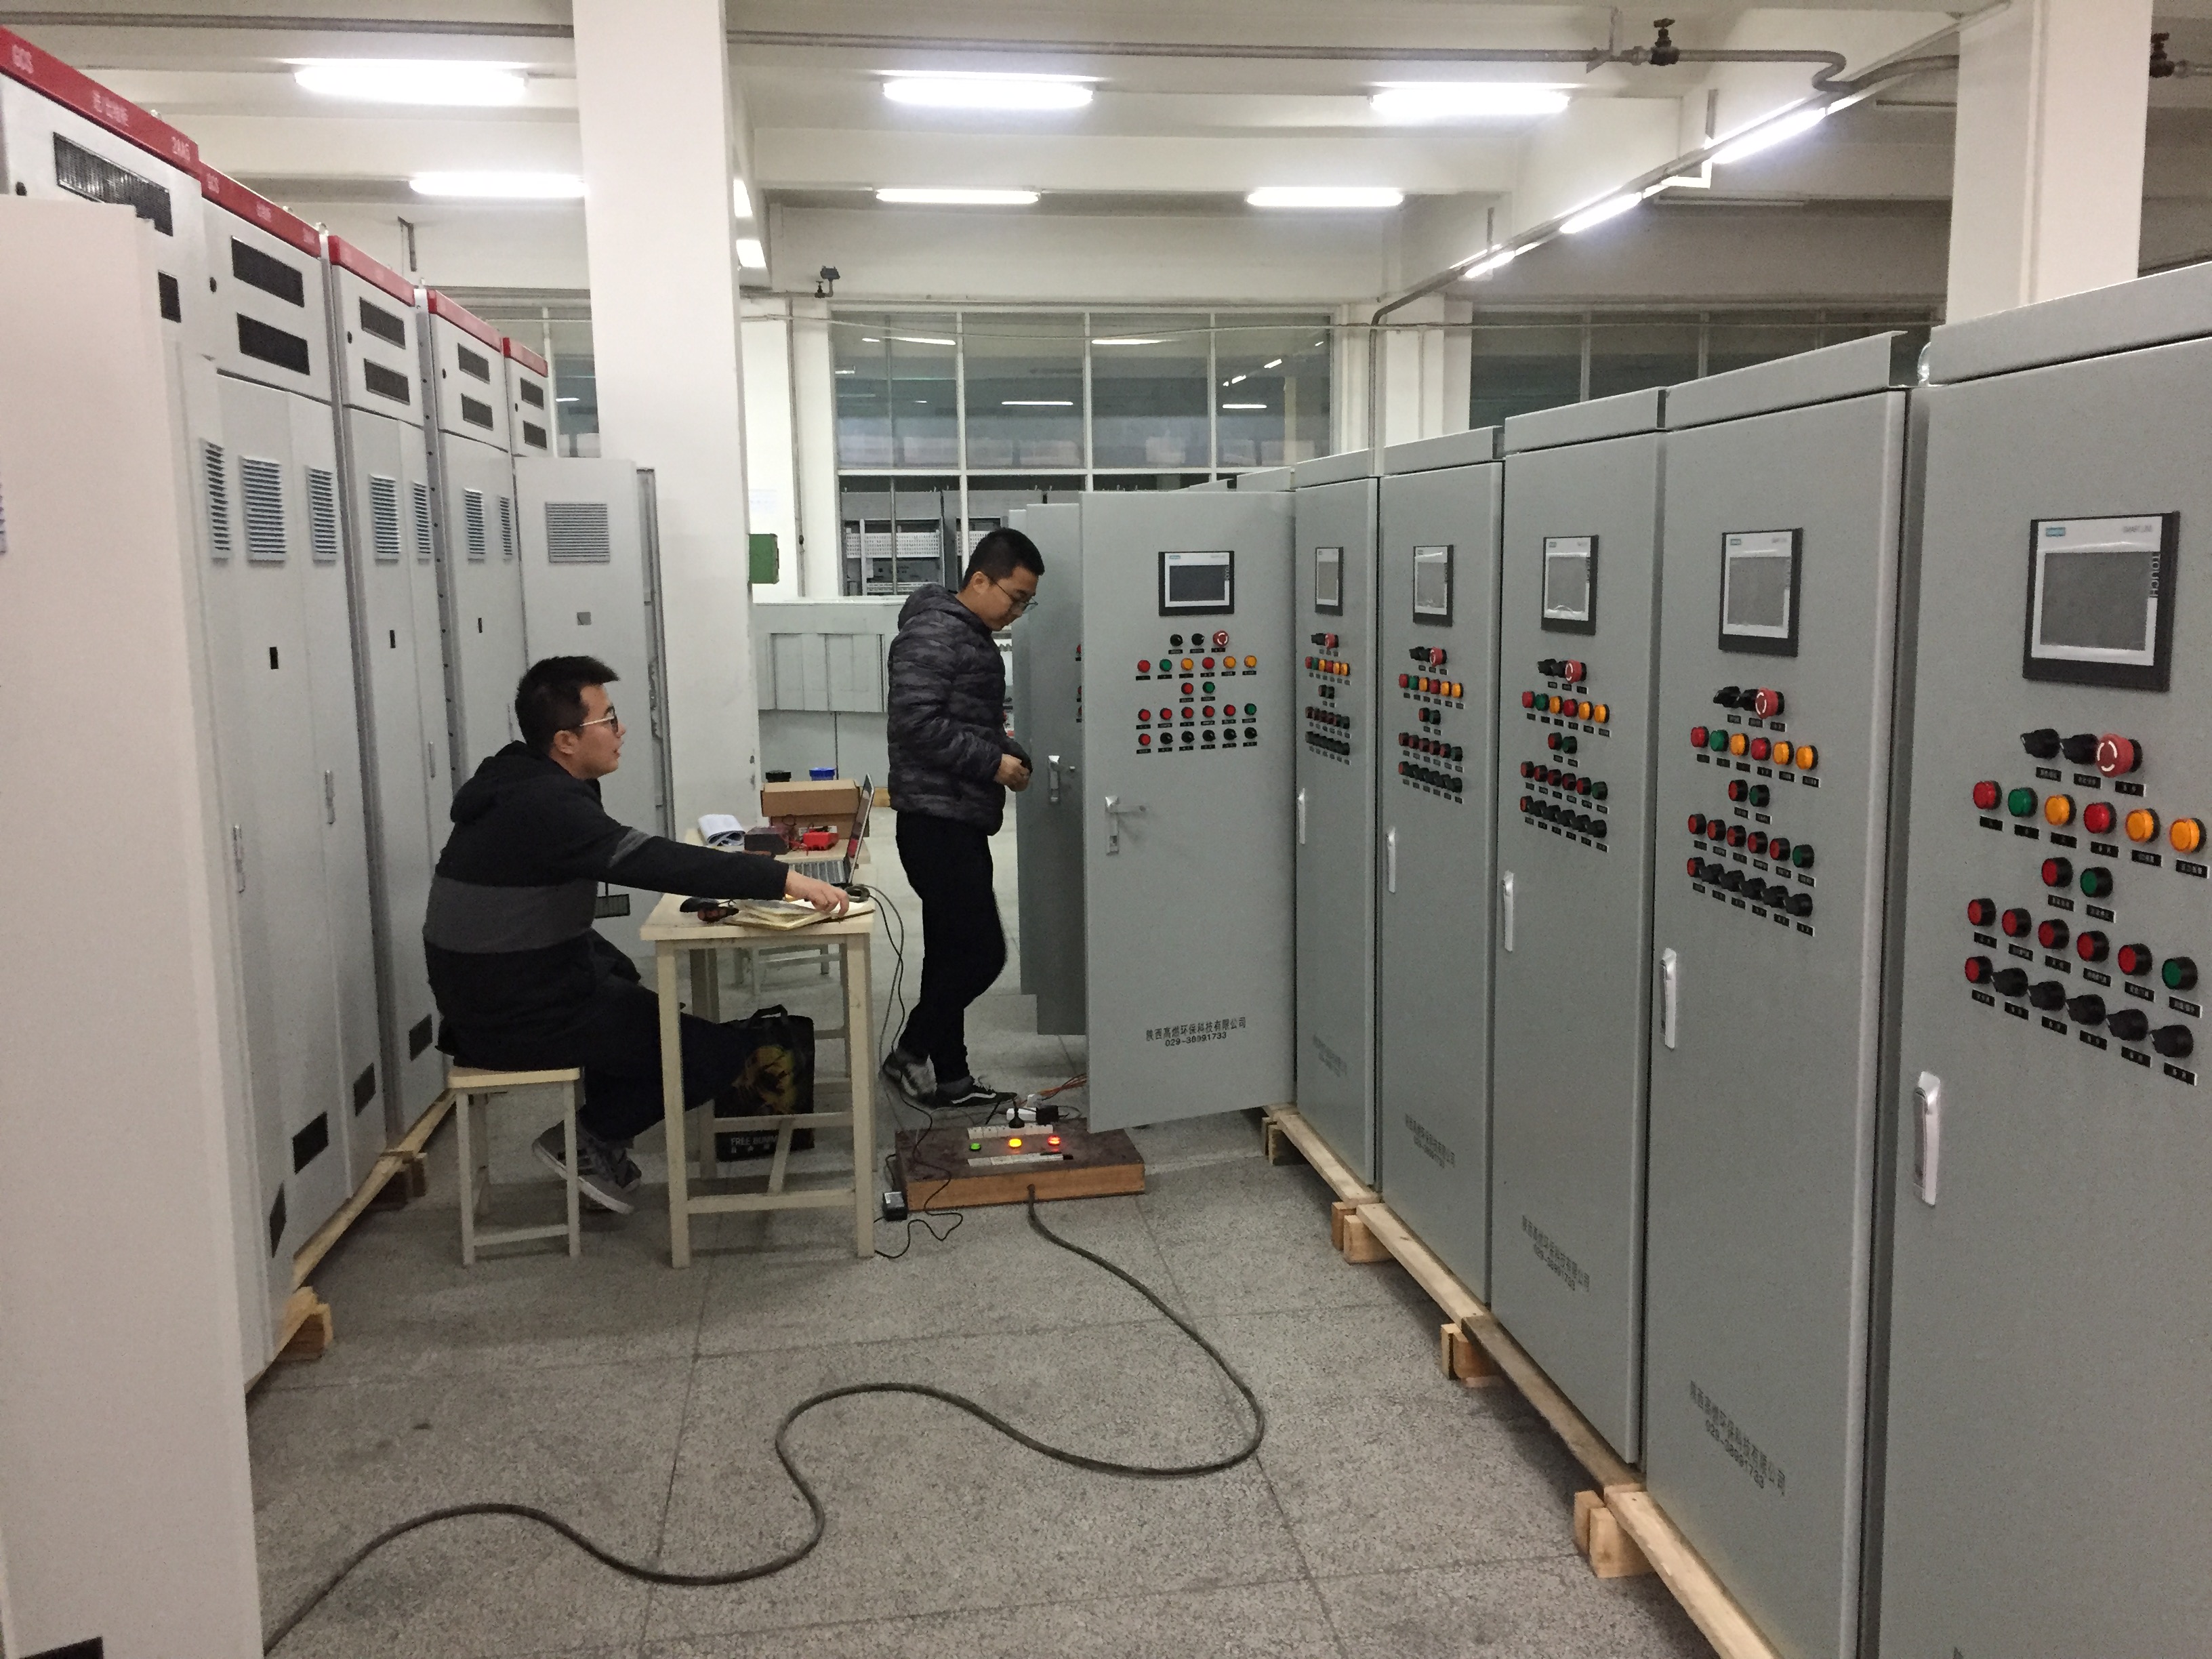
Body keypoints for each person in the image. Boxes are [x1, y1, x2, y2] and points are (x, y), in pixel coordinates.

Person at [424, 655, 848, 1213]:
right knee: (714, 1056)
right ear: (566, 741)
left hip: (497, 992)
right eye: (607, 719)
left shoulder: (521, 782)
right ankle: (586, 1139)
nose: (621, 730)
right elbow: (652, 860)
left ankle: (600, 1134)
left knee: (626, 983)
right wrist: (783, 880)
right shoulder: (546, 804)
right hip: (511, 1015)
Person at [880, 528, 1042, 1112]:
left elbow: (966, 721)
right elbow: (915, 725)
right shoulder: (933, 633)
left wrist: (1007, 749)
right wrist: (993, 763)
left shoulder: (967, 635)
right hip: (935, 821)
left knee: (949, 953)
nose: (1017, 612)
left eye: (1026, 603)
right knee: (981, 954)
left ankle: (952, 1078)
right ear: (979, 580)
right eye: (1015, 598)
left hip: (957, 815)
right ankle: (909, 1052)